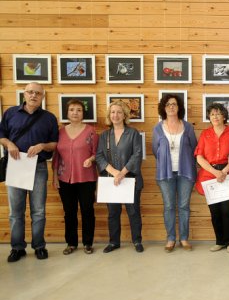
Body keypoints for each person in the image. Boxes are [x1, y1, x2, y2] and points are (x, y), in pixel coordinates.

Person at [0, 82, 59, 262]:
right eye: (30, 92)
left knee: (38, 211)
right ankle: (17, 248)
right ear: (24, 94)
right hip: (16, 166)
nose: (34, 95)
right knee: (15, 212)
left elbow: (54, 144)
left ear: (42, 97)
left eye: (38, 93)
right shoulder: (10, 113)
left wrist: (42, 145)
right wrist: (9, 144)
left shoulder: (49, 118)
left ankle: (39, 246)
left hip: (39, 167)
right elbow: (1, 135)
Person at [95, 100, 144, 253]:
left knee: (133, 212)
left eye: (119, 112)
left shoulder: (133, 133)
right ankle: (114, 242)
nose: (115, 115)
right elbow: (99, 157)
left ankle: (136, 241)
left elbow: (137, 155)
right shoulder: (104, 135)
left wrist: (122, 172)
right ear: (109, 115)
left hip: (130, 179)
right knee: (113, 213)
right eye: (113, 112)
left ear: (125, 115)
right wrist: (115, 173)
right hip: (111, 180)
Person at [194, 103, 229, 253]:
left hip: (228, 174)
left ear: (224, 116)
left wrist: (224, 171)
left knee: (228, 210)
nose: (215, 116)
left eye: (218, 113)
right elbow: (199, 157)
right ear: (209, 117)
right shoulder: (205, 134)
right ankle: (219, 241)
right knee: (214, 212)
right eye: (212, 114)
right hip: (210, 175)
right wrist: (215, 172)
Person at [52, 99, 99, 255]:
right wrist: (54, 176)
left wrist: (91, 159)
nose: (75, 113)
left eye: (78, 110)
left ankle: (87, 243)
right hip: (65, 179)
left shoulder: (91, 131)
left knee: (87, 210)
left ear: (83, 113)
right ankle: (71, 243)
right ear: (67, 113)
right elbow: (56, 156)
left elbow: (96, 154)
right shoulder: (60, 132)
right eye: (72, 109)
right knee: (69, 212)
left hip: (86, 178)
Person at [152, 94, 197, 253]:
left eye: (175, 104)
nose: (171, 107)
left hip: (185, 172)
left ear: (179, 108)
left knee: (184, 206)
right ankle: (171, 238)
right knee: (169, 206)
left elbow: (194, 148)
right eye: (168, 104)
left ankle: (184, 238)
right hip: (165, 174)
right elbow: (155, 151)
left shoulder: (188, 127)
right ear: (163, 108)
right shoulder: (157, 128)